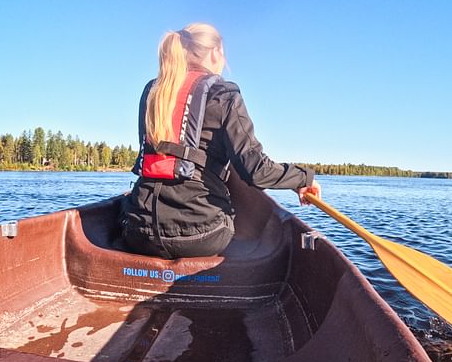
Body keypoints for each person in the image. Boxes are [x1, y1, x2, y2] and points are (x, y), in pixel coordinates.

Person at [121, 22, 320, 259]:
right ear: (215, 52)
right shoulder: (224, 94)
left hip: (137, 231)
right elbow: (256, 171)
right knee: (232, 189)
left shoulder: (153, 91)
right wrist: (303, 177)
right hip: (199, 236)